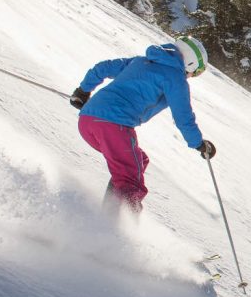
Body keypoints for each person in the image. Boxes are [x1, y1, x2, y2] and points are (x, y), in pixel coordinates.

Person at [69, 36, 216, 213]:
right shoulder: (176, 79)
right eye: (196, 72)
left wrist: (82, 91)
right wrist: (198, 143)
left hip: (87, 121)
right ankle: (114, 230)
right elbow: (183, 117)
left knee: (137, 161)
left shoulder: (141, 61)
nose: (192, 76)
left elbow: (103, 68)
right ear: (190, 63)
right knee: (131, 182)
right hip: (114, 126)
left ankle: (108, 213)